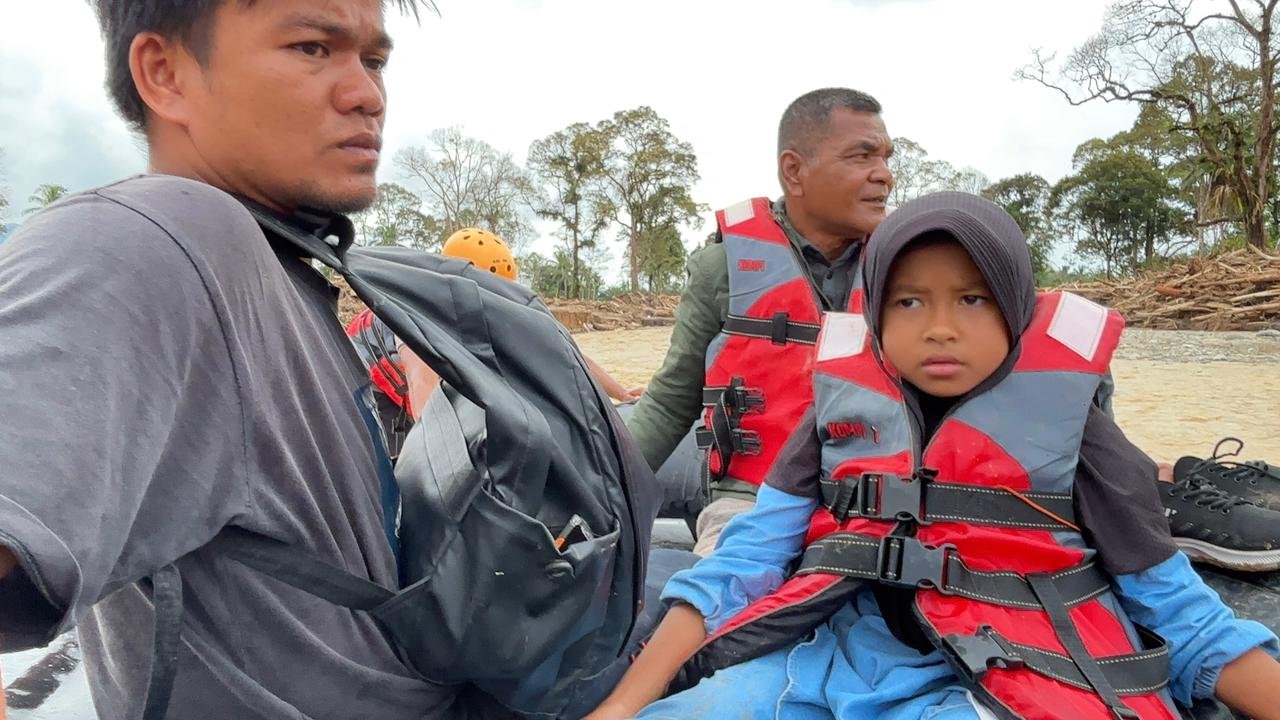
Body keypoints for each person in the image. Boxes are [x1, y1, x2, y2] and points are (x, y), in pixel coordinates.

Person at [0, 1, 515, 717]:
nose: (367, 94)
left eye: (373, 60)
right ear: (165, 73)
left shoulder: (274, 267)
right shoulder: (147, 239)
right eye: (312, 48)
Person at [589, 192, 1280, 720]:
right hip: (833, 660)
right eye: (909, 301)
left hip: (1003, 676)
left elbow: (1182, 613)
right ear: (876, 313)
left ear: (1015, 306)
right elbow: (743, 564)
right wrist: (621, 705)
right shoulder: (833, 418)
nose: (940, 328)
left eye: (972, 299)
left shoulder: (1080, 435)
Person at [625, 87, 894, 554]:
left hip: (873, 508)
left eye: (887, 158)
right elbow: (670, 404)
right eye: (862, 156)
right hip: (748, 506)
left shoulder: (907, 267)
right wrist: (595, 488)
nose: (885, 175)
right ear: (794, 171)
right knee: (726, 591)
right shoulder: (721, 268)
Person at [347, 226, 644, 451]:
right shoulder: (419, 309)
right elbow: (422, 382)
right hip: (373, 398)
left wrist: (620, 394)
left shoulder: (485, 310)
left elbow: (562, 354)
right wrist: (445, 452)